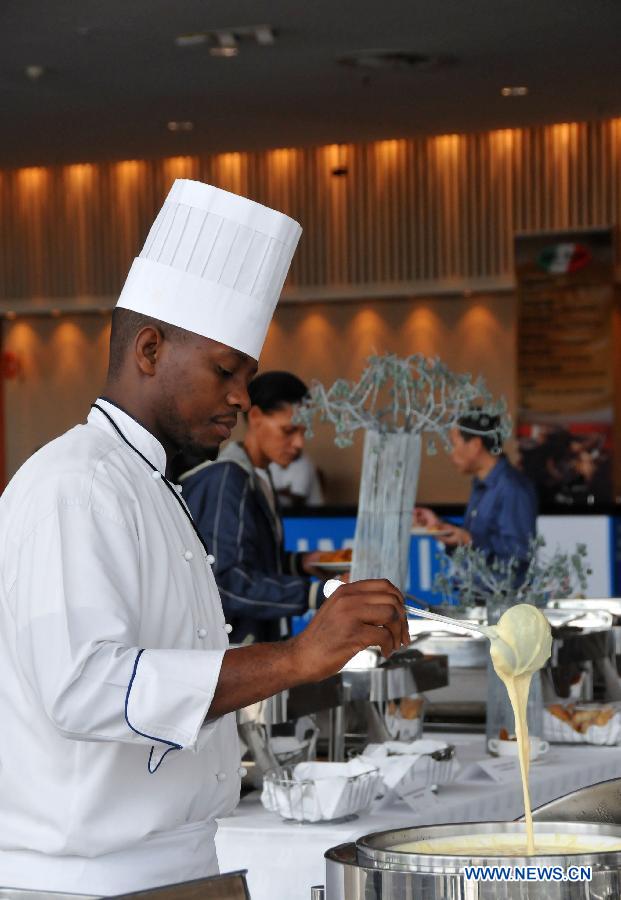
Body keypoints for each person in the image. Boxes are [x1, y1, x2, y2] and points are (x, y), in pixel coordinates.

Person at [0, 179, 408, 896]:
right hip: (86, 881)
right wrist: (295, 657)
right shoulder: (74, 482)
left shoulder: (154, 485)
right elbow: (87, 688)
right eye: (226, 371)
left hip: (181, 863)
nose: (240, 399)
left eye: (245, 378)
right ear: (150, 349)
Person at [180, 371, 324, 645]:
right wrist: (314, 594)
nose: (299, 444)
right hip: (232, 653)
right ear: (255, 417)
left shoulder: (258, 477)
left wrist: (301, 563)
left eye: (303, 432)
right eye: (289, 430)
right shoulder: (228, 478)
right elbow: (224, 581)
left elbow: (251, 561)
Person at [414, 411, 537, 566]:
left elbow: (520, 552)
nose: (450, 453)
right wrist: (438, 524)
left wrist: (468, 540)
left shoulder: (512, 487)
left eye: (453, 444)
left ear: (475, 445)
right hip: (477, 587)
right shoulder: (483, 483)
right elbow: (477, 537)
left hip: (498, 589)